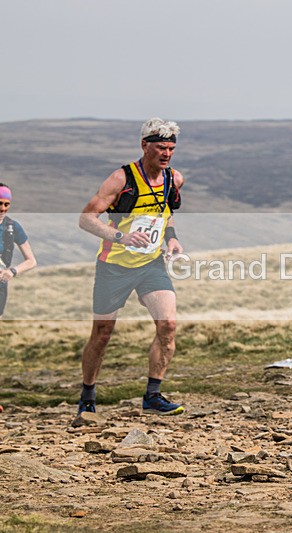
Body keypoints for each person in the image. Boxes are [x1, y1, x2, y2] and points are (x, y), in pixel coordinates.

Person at [77, 118, 185, 416]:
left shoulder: (173, 179)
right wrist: (121, 236)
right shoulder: (121, 179)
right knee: (102, 333)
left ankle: (153, 395)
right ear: (144, 145)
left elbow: (166, 213)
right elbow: (86, 219)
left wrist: (172, 239)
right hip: (114, 266)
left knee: (168, 325)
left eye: (171, 148)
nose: (166, 153)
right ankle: (87, 396)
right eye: (161, 147)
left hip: (151, 264)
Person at [0, 182, 38, 319]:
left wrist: (12, 272)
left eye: (6, 204)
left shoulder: (12, 227)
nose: (3, 209)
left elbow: (31, 261)